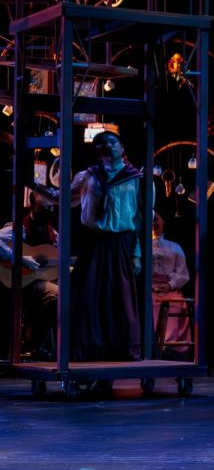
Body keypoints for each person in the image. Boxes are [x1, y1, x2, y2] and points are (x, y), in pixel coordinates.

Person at [69, 130, 145, 361]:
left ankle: (124, 350)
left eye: (114, 141)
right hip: (94, 241)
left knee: (121, 298)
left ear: (122, 147)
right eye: (103, 143)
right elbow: (65, 200)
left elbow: (140, 217)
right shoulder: (88, 177)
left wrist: (137, 253)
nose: (110, 146)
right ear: (98, 152)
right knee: (90, 296)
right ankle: (90, 349)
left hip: (121, 242)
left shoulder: (135, 177)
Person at [0, 190, 60, 361]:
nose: (48, 211)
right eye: (44, 207)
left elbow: (57, 260)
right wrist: (21, 258)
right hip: (20, 280)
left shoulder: (53, 234)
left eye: (51, 207)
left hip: (39, 280)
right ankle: (35, 340)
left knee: (68, 293)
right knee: (56, 294)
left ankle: (50, 346)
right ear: (33, 205)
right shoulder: (20, 228)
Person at [150, 212, 191, 360]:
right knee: (146, 304)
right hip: (149, 289)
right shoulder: (141, 246)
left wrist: (170, 285)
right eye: (151, 220)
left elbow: (183, 273)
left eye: (156, 219)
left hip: (169, 289)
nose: (153, 223)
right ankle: (151, 346)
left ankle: (171, 349)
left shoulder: (174, 247)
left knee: (175, 304)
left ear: (163, 222)